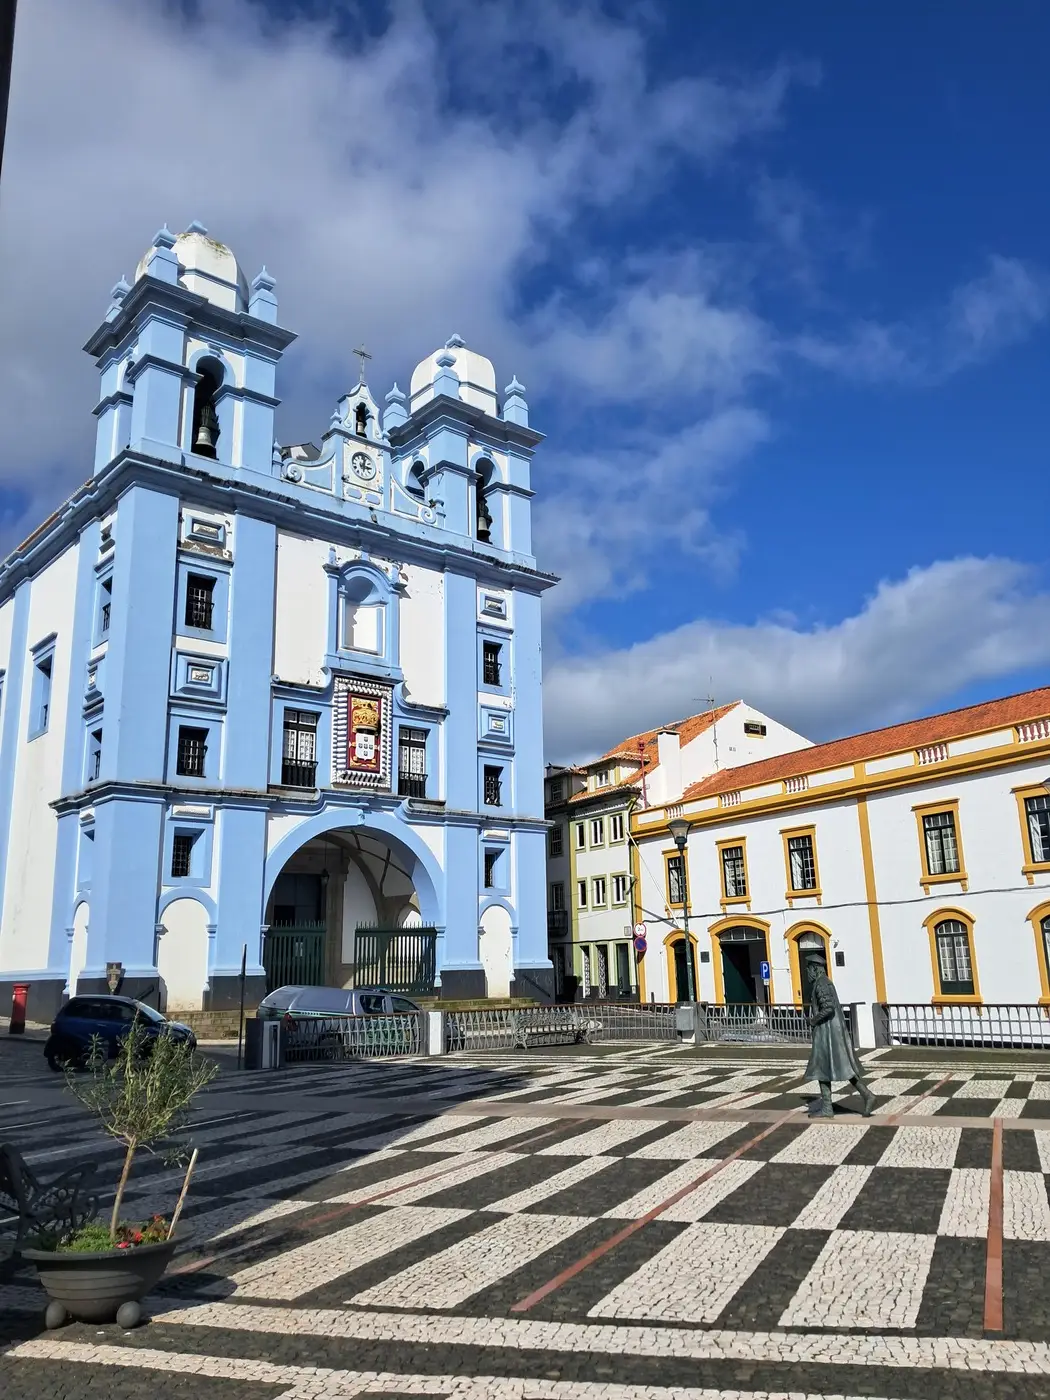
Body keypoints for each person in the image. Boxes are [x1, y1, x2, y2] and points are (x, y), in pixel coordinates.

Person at [802, 953, 875, 1117]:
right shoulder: (824, 982)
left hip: (828, 1033)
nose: (807, 972)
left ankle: (828, 1107)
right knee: (841, 1068)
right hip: (830, 1032)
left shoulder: (821, 984)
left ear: (814, 969)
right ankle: (867, 1095)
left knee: (822, 1068)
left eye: (808, 969)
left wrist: (813, 1020)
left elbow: (828, 1008)